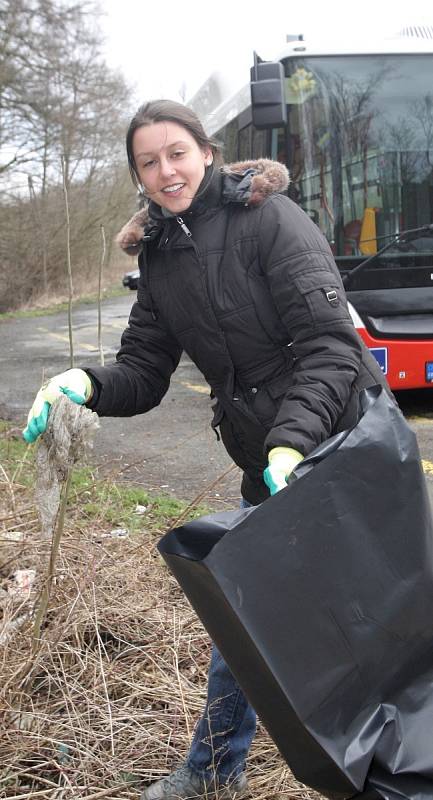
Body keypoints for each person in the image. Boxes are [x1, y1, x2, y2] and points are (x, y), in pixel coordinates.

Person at [23, 100, 389, 799]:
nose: (165, 172)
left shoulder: (269, 221)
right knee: (246, 612)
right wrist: (81, 382)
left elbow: (329, 347)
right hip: (271, 466)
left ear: (207, 151)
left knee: (379, 620)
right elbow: (143, 370)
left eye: (176, 153)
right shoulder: (161, 257)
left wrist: (290, 443)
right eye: (148, 162)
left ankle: (396, 768)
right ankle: (213, 769)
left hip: (346, 451)